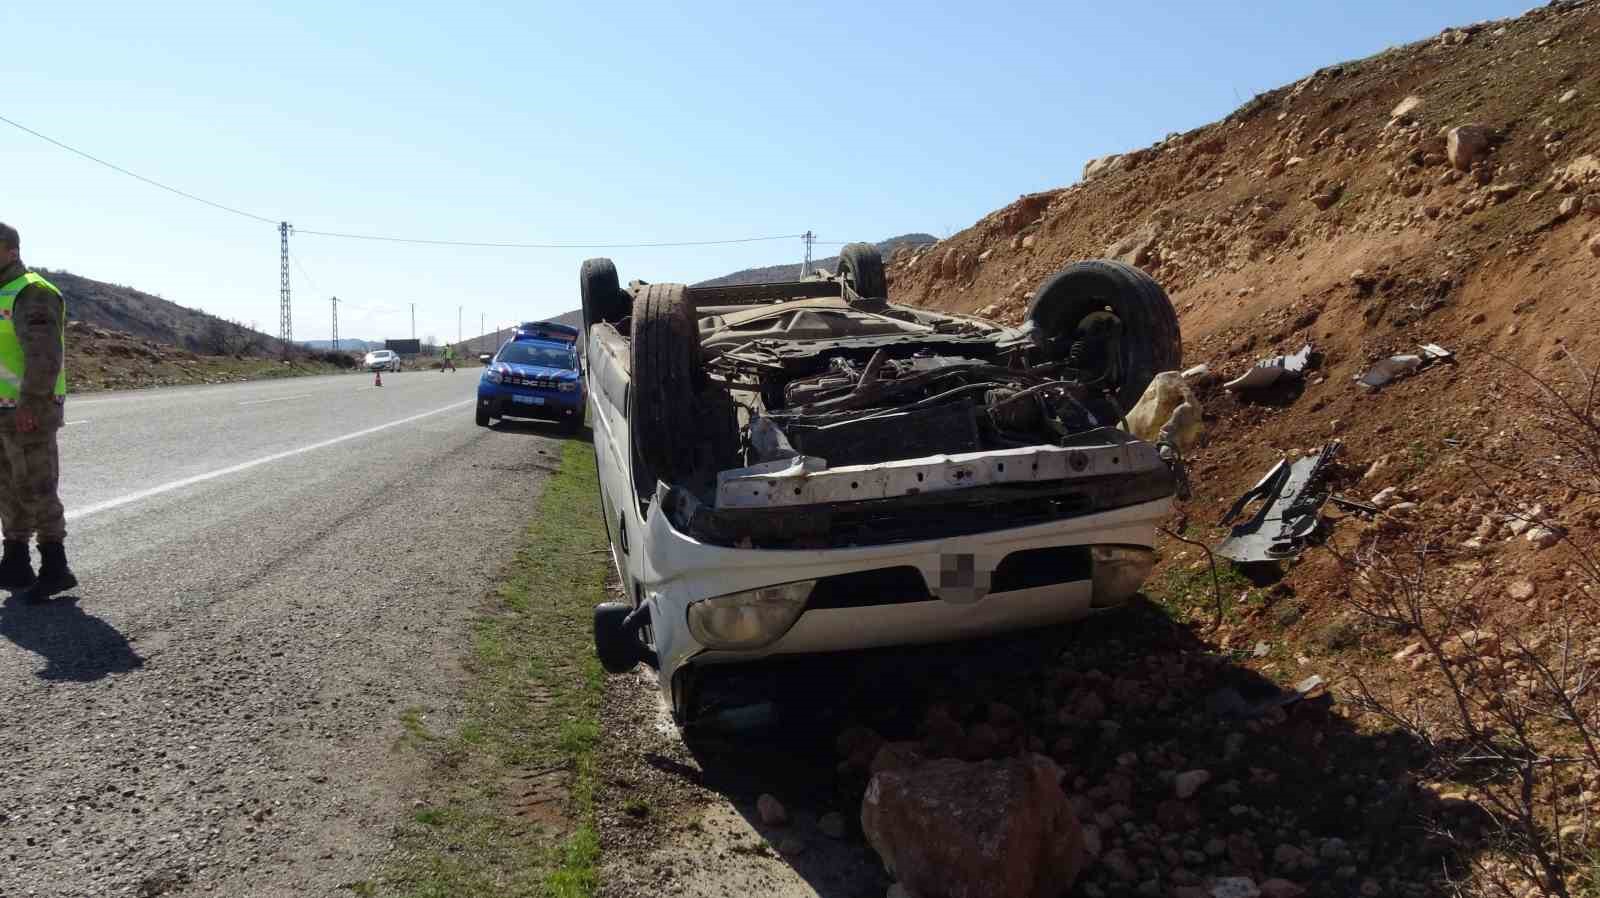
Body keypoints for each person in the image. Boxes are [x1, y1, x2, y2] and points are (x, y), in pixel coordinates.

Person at [0, 222, 76, 602]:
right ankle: (15, 560)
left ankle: (55, 565)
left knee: (36, 485)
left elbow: (45, 355)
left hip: (28, 408)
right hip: (2, 409)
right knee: (8, 488)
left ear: (10, 251)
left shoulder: (32, 292)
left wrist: (31, 402)